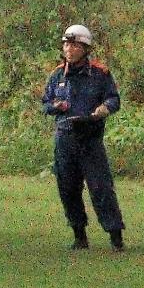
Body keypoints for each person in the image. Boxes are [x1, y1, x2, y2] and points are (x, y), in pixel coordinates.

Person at [43, 23, 125, 251]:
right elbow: (45, 104)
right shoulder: (57, 74)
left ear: (85, 48)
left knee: (101, 188)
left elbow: (113, 99)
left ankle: (115, 236)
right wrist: (55, 106)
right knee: (68, 188)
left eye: (75, 45)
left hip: (90, 139)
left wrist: (104, 108)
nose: (69, 49)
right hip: (64, 138)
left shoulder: (100, 73)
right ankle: (79, 235)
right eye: (66, 44)